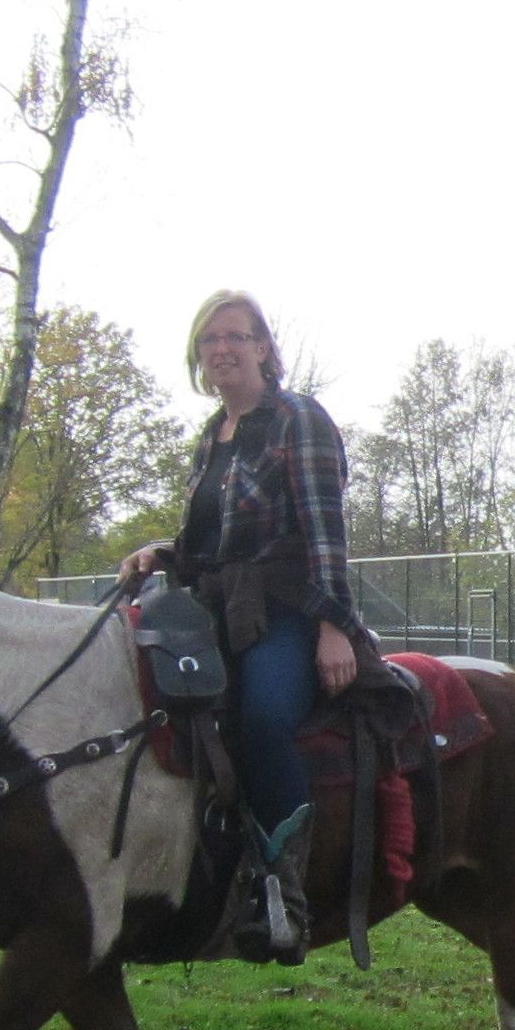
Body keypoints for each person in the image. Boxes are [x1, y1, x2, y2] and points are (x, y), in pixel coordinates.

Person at [119, 291, 364, 961]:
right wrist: (161, 554)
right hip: (213, 611)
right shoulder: (213, 434)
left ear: (262, 347)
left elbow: (325, 532)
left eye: (236, 336)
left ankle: (283, 893)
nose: (222, 349)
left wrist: (332, 626)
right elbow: (211, 541)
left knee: (261, 716)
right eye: (209, 339)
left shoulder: (297, 420)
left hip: (285, 610)